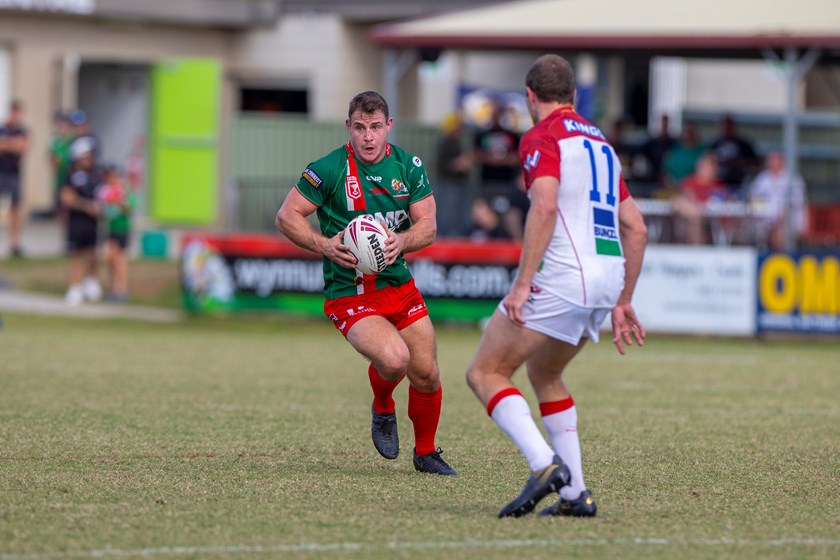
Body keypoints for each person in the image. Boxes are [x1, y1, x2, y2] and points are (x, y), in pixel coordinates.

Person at [465, 54, 648, 518]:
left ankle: (545, 465)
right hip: (605, 281)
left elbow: (544, 207)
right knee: (545, 374)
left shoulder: (542, 135)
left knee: (485, 372)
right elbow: (637, 227)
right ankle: (575, 495)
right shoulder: (603, 145)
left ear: (530, 96)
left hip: (566, 277)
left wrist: (523, 285)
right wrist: (624, 298)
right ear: (572, 96)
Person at [275, 91, 457, 476]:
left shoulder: (409, 166)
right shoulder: (327, 169)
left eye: (375, 127)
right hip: (350, 294)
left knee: (427, 373)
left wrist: (403, 240)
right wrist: (324, 244)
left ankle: (425, 453)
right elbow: (287, 216)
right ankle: (383, 404)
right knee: (395, 360)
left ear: (388, 126)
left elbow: (428, 226)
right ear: (349, 128)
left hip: (399, 286)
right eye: (360, 128)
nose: (368, 137)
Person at [61, 137, 103, 305]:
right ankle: (75, 287)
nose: (90, 159)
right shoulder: (71, 174)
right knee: (76, 253)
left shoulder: (96, 174)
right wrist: (86, 206)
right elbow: (66, 198)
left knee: (92, 252)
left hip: (92, 222)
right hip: (76, 221)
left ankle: (91, 282)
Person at [748, 151, 808, 250]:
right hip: (764, 219)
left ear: (782, 162)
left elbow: (797, 202)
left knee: (779, 230)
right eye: (771, 161)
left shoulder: (793, 178)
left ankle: (779, 257)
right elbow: (753, 197)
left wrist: (781, 216)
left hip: (788, 219)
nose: (773, 163)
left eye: (775, 160)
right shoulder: (762, 178)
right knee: (745, 227)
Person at [670, 152, 729, 245]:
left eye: (712, 166)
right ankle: (695, 248)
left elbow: (725, 201)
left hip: (715, 221)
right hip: (692, 219)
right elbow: (681, 198)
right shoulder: (689, 182)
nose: (709, 169)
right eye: (705, 166)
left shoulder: (719, 186)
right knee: (692, 214)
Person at [98, 165, 137, 301]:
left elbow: (129, 208)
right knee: (109, 258)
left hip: (122, 229)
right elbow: (103, 211)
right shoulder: (105, 191)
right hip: (110, 229)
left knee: (120, 259)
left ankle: (121, 289)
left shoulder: (125, 192)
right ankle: (114, 286)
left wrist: (119, 200)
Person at [474, 99, 520, 205]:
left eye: (498, 113)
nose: (495, 116)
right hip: (487, 182)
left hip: (506, 182)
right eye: (493, 113)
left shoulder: (511, 136)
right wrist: (491, 159)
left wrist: (501, 161)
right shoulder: (482, 135)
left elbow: (516, 157)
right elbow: (477, 154)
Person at [434, 113, 472, 237]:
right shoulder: (445, 143)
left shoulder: (457, 142)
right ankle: (443, 235)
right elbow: (440, 164)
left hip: (457, 183)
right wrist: (456, 165)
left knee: (458, 211)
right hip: (447, 183)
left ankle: (455, 235)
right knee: (446, 212)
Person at [0, 100, 29, 258]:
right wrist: (12, 144)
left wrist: (6, 144)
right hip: (1, 172)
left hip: (14, 173)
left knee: (15, 208)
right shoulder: (2, 128)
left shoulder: (22, 130)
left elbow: (23, 147)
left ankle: (15, 243)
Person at [709, 115, 758, 194]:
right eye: (724, 126)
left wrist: (739, 163)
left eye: (729, 126)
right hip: (719, 184)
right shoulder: (715, 144)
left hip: (741, 184)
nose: (727, 129)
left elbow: (754, 164)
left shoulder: (744, 145)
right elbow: (710, 162)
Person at [49, 111, 74, 217]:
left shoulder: (73, 141)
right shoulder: (55, 142)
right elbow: (52, 162)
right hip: (60, 179)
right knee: (61, 209)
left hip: (71, 179)